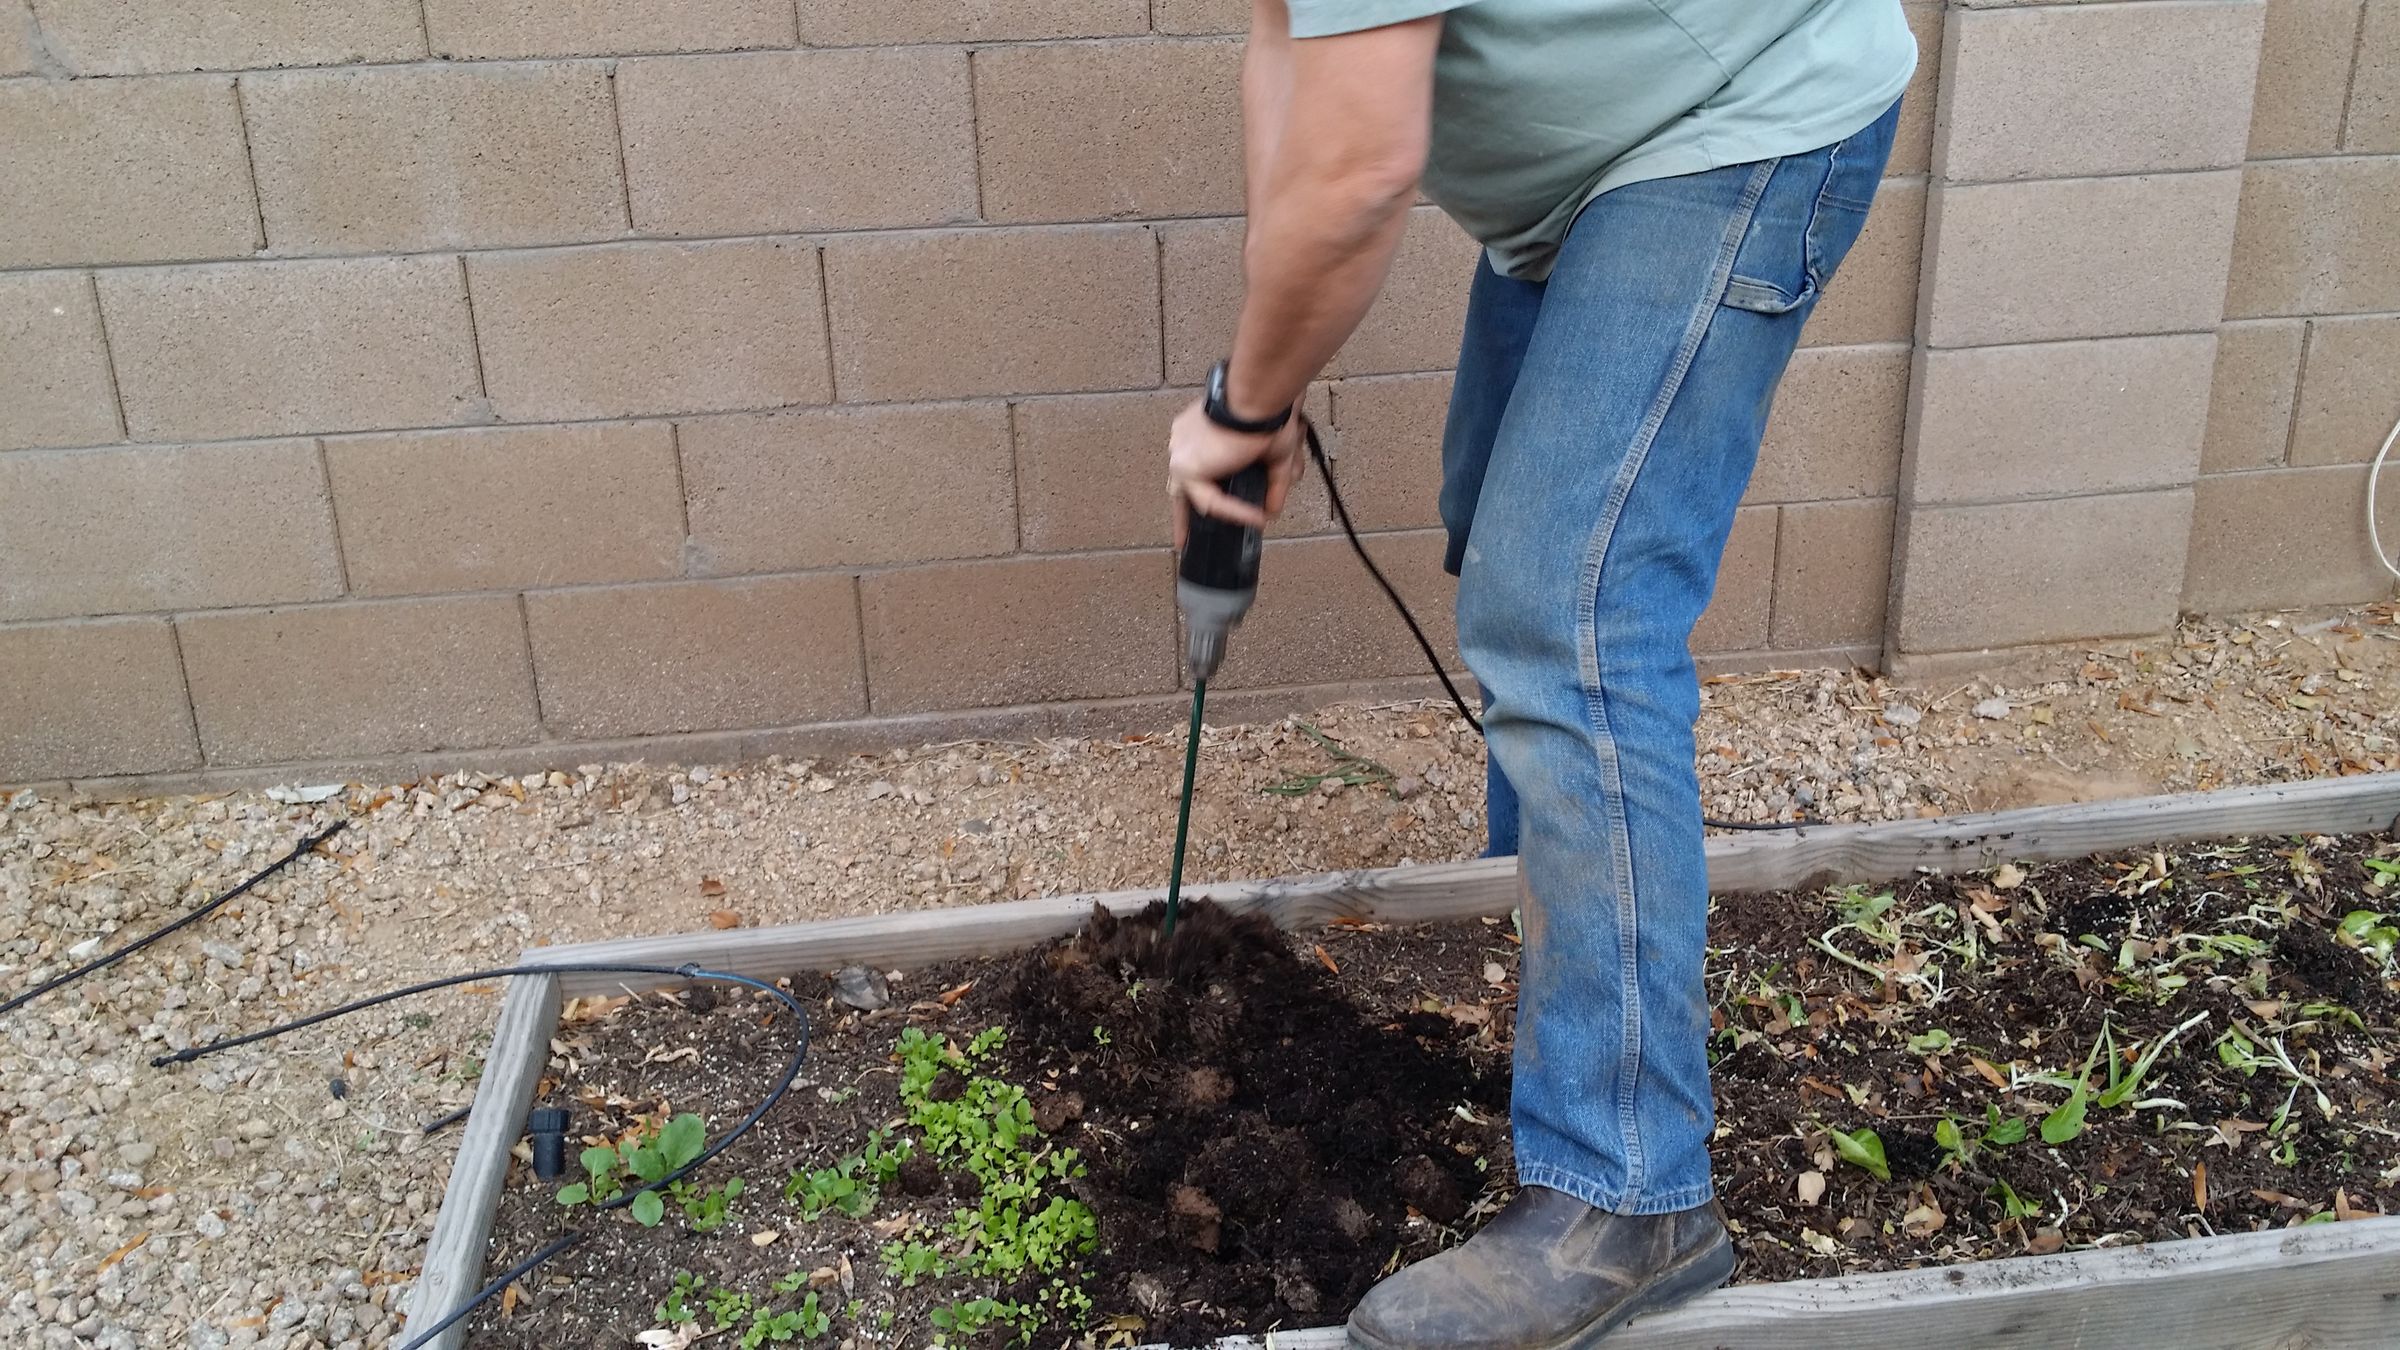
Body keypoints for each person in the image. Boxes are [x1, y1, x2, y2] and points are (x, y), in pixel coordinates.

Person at [1164, 2, 1916, 1345]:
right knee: (1498, 523)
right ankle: (1557, 974)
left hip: (1729, 123)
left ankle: (1627, 1189)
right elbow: (1287, 54)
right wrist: (1257, 361)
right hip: (1598, 172)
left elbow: (1355, 175)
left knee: (1571, 613)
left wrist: (1247, 406)